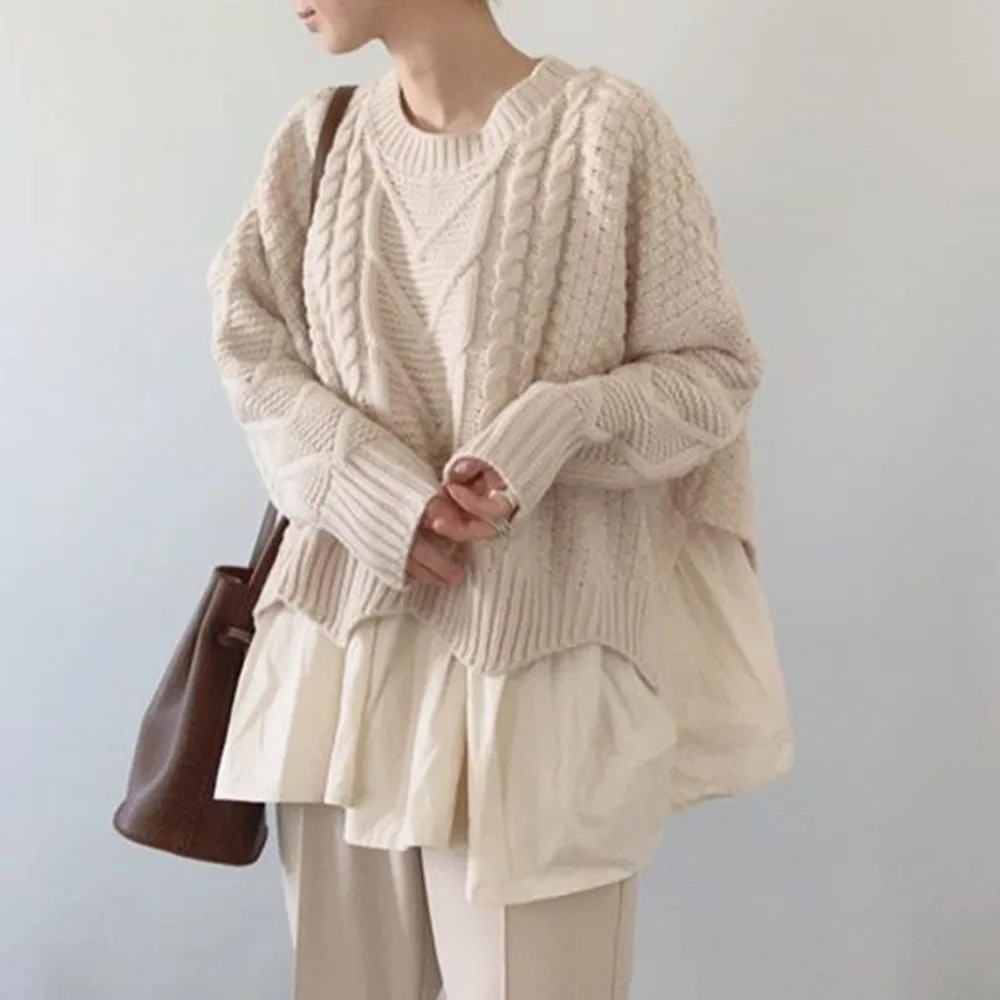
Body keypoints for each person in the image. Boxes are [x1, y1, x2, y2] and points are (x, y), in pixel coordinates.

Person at [208, 0, 793, 997]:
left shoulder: (607, 132)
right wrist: (374, 491)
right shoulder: (318, 139)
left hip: (543, 668)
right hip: (339, 663)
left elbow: (714, 373)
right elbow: (248, 350)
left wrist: (558, 424)